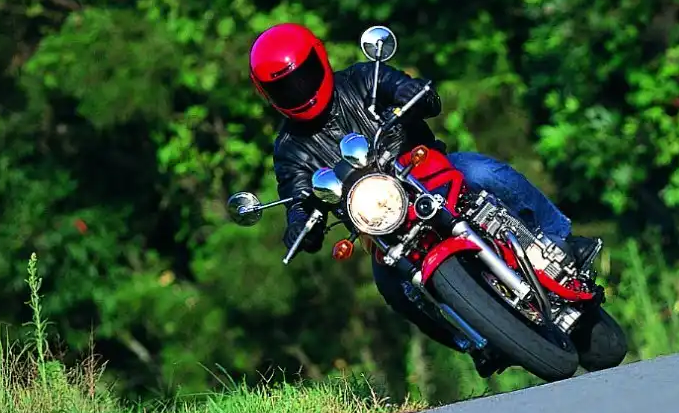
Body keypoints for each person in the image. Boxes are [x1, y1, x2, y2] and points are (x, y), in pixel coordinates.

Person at [249, 22, 601, 376]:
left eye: (303, 77)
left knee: (481, 172)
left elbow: (412, 91)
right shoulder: (290, 149)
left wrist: (412, 92)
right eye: (284, 88)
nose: (299, 91)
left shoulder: (363, 79)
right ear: (267, 94)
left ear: (320, 58)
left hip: (430, 172)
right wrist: (300, 224)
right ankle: (474, 342)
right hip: (383, 224)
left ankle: (560, 239)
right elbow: (295, 194)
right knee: (392, 286)